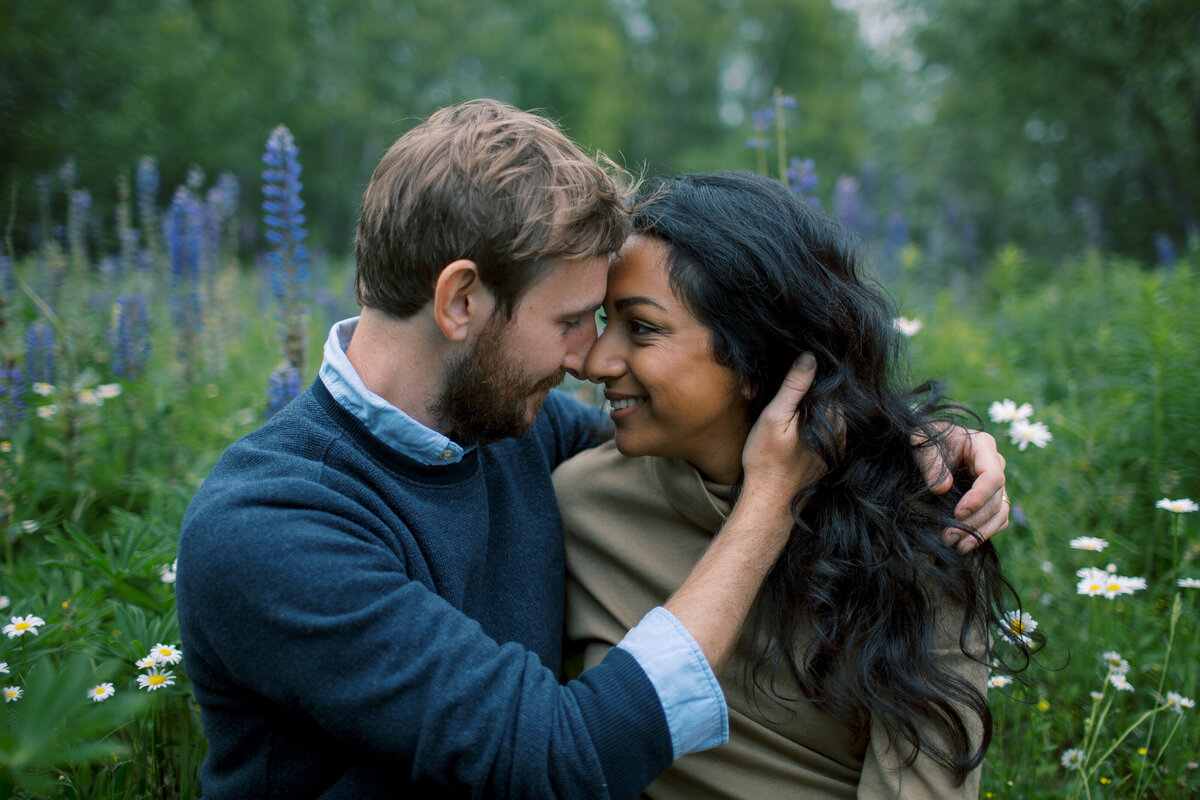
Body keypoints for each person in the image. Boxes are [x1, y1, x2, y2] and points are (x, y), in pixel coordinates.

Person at [176, 101, 1010, 799]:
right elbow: (556, 760)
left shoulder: (512, 432)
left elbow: (712, 423)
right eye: (573, 321)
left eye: (616, 325)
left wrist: (910, 441)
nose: (587, 361)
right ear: (461, 300)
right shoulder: (269, 524)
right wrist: (768, 505)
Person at [556, 171, 1030, 799]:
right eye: (601, 322)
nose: (595, 363)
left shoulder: (914, 527)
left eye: (641, 328)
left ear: (755, 357)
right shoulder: (580, 505)